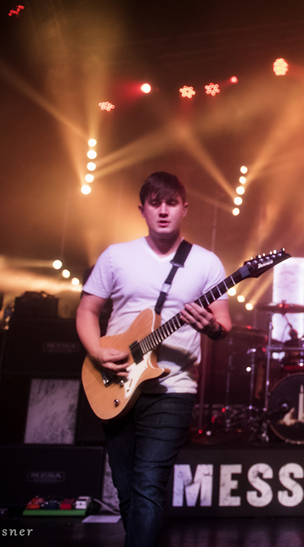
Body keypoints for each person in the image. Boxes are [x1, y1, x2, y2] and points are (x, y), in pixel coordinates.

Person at [76, 172, 231, 547]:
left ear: (184, 208)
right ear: (142, 209)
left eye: (171, 203)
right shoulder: (116, 256)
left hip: (173, 388)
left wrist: (210, 326)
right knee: (126, 489)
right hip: (114, 382)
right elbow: (86, 310)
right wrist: (97, 351)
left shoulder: (206, 263)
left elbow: (224, 326)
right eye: (155, 203)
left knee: (148, 485)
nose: (163, 211)